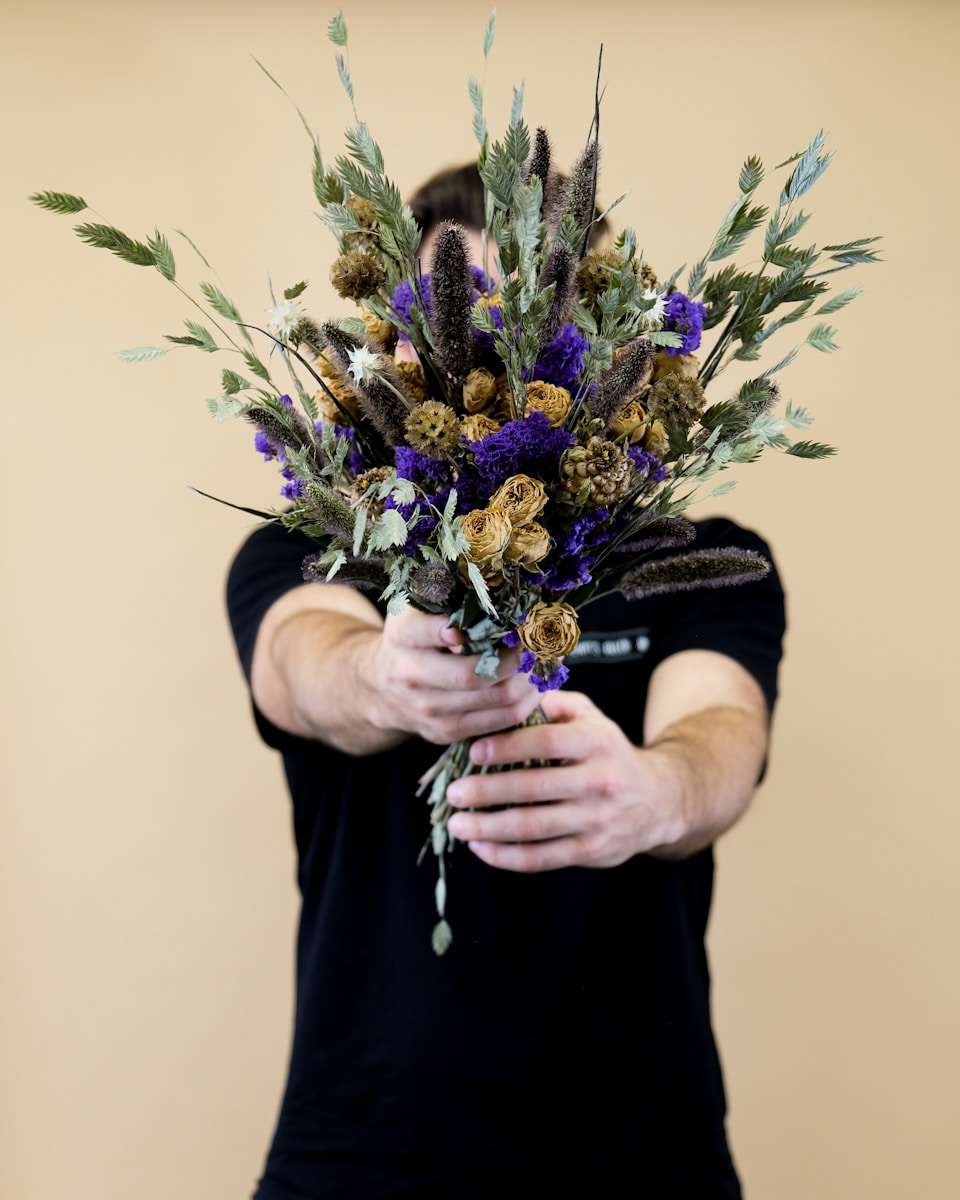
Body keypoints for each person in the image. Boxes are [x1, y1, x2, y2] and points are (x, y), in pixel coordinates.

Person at [226, 164, 786, 1199]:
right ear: (398, 345)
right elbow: (301, 662)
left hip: (640, 1150)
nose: (490, 351)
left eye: (534, 317)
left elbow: (721, 732)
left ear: (611, 337)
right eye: (466, 318)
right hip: (365, 1151)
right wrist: (387, 680)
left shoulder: (702, 558)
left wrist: (652, 792)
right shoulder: (318, 548)